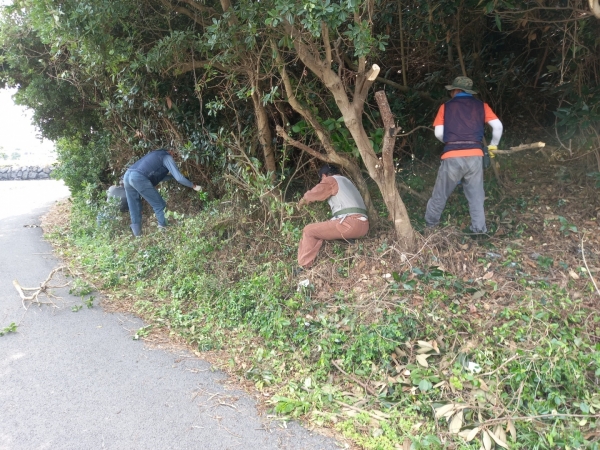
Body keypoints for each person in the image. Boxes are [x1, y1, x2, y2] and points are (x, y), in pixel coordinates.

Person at [425, 76, 503, 235]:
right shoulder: (482, 106)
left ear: (456, 91)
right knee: (476, 196)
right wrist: (493, 146)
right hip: (475, 155)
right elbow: (498, 126)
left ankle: (430, 227)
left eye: (452, 90)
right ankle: (479, 231)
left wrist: (450, 142)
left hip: (452, 156)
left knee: (440, 194)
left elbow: (438, 133)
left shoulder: (445, 107)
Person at [296, 164, 369, 268]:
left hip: (350, 224)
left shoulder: (330, 180)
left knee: (309, 230)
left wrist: (302, 202)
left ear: (324, 176)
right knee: (325, 226)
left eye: (321, 179)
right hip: (364, 226)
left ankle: (304, 266)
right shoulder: (346, 181)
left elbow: (312, 194)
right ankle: (350, 241)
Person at [123, 148, 201, 236]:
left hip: (127, 175)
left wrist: (172, 177)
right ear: (170, 151)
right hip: (138, 178)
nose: (174, 158)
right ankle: (163, 231)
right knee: (159, 205)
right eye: (174, 155)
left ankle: (137, 234)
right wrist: (193, 186)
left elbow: (158, 176)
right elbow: (179, 178)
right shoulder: (167, 157)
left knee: (133, 205)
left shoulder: (156, 154)